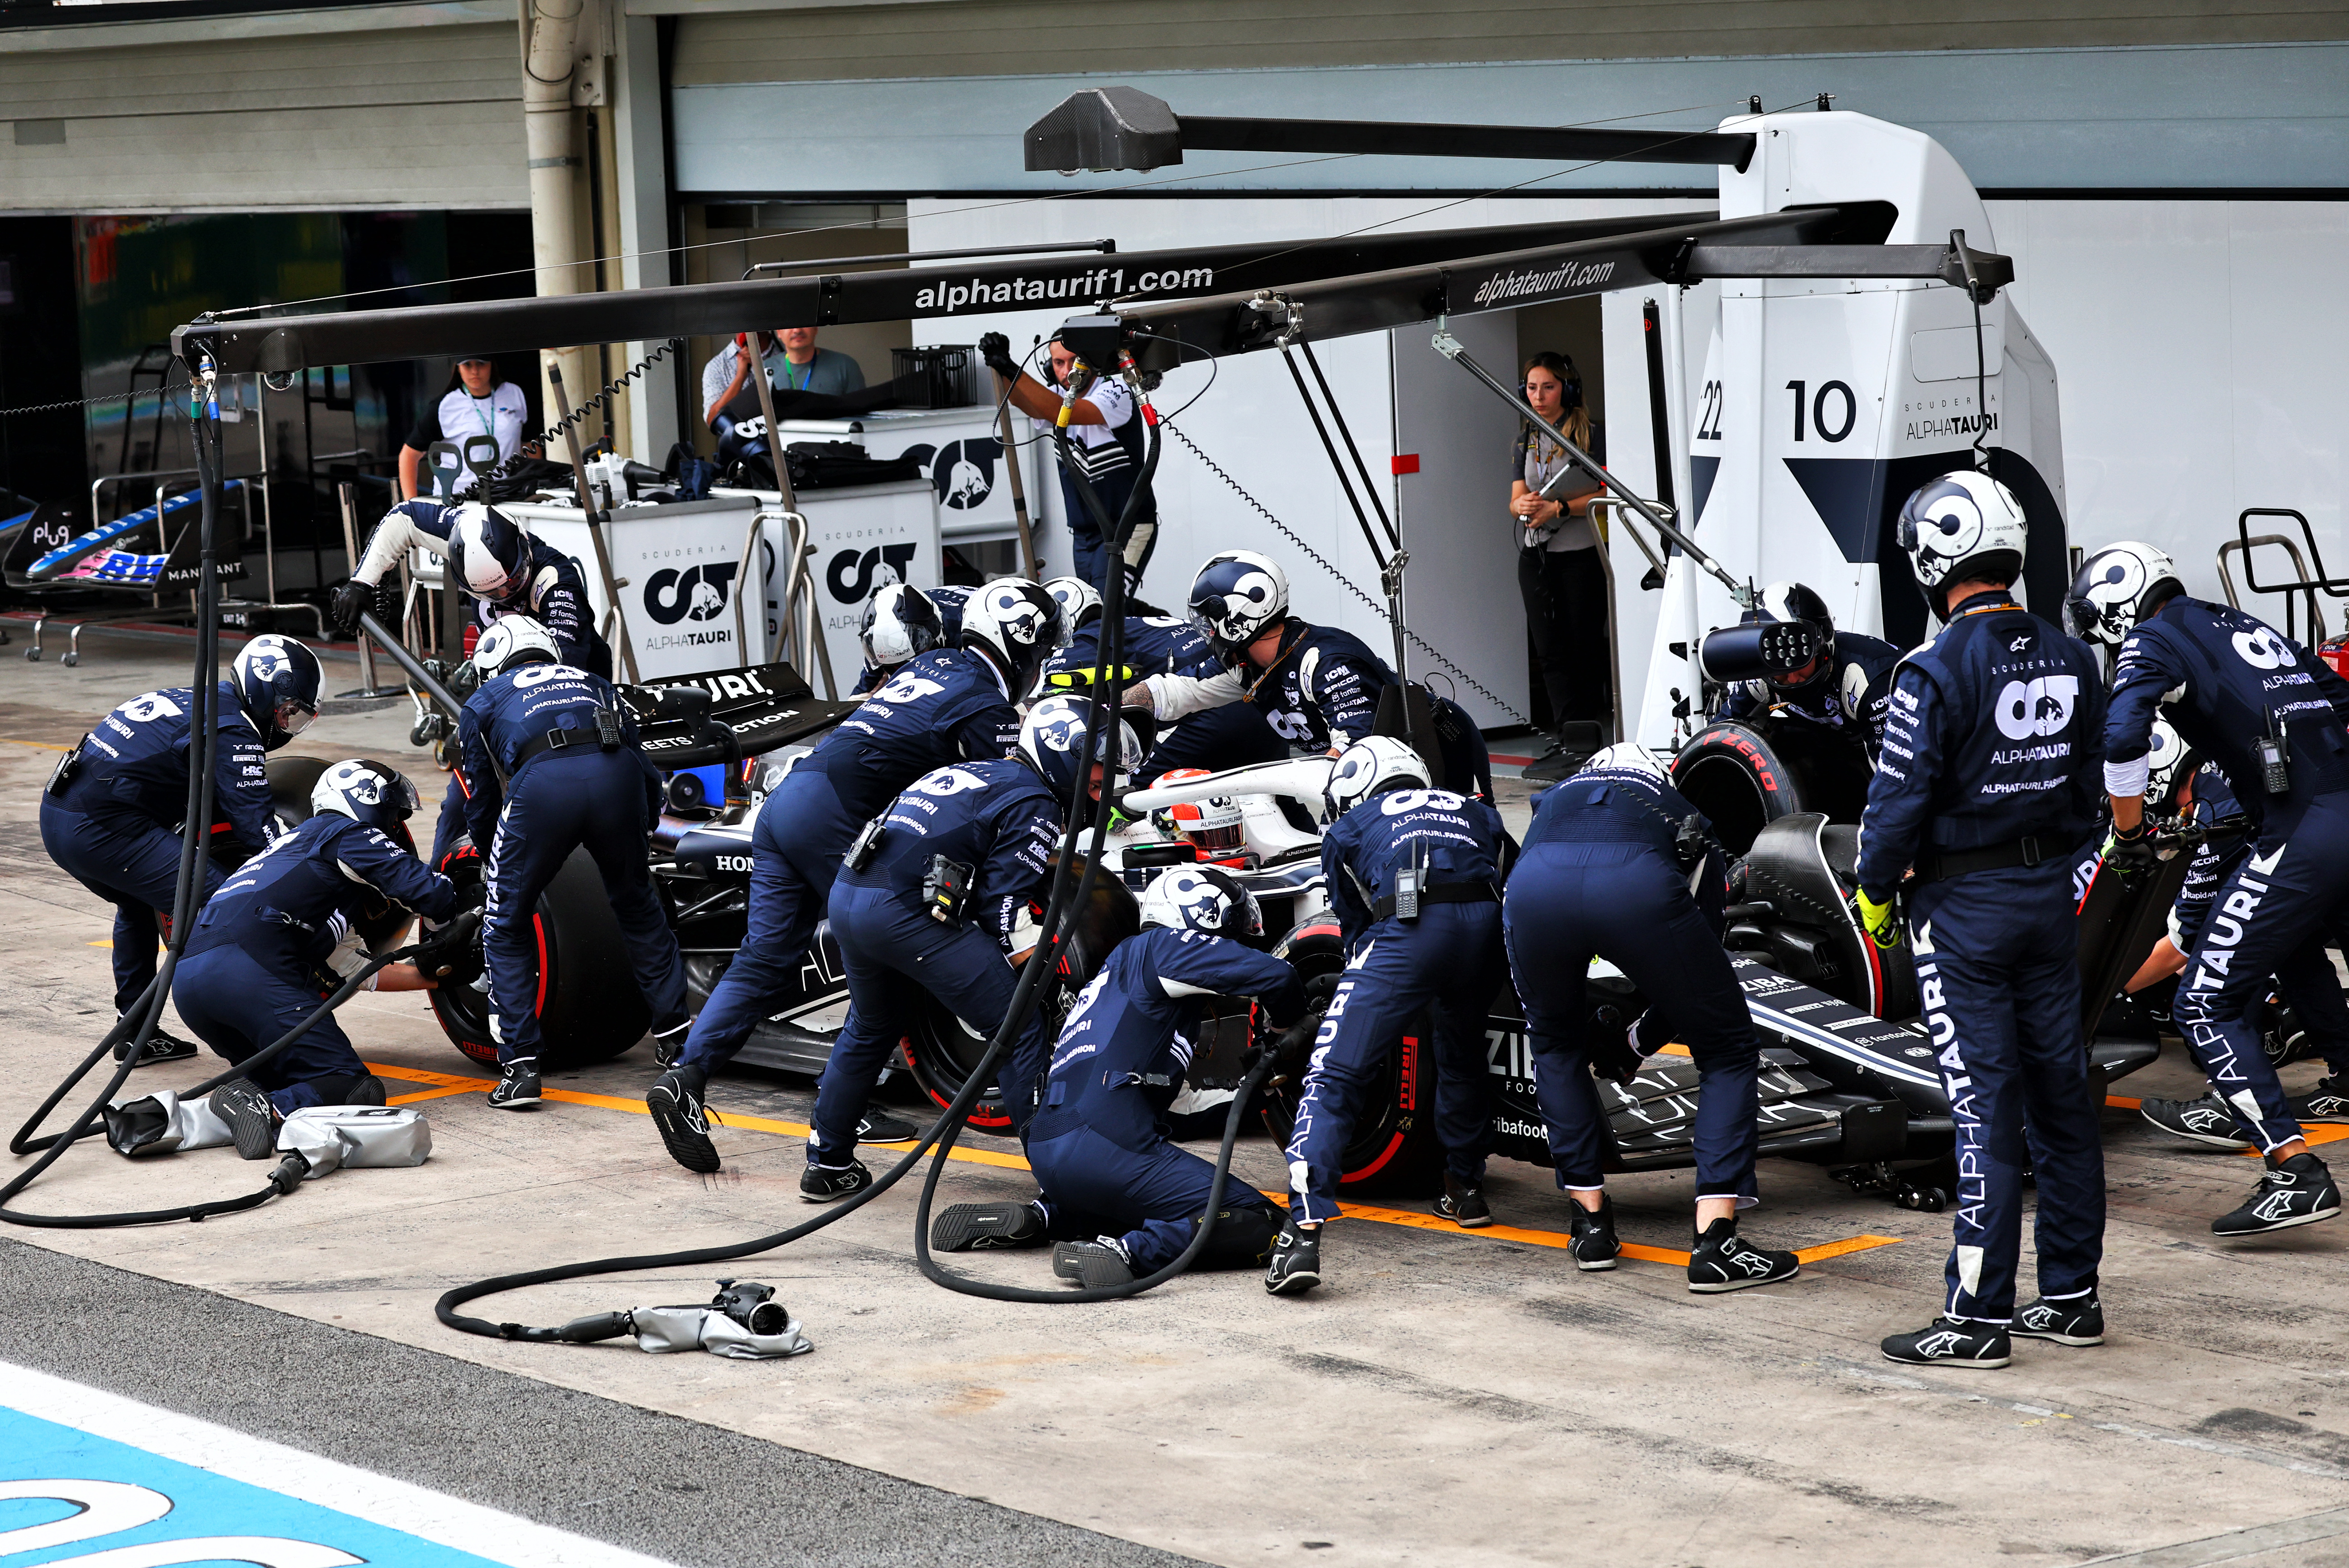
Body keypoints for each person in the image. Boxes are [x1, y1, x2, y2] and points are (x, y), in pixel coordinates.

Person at [643, 578, 1063, 1173]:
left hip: (789, 798)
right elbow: (999, 799)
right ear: (1020, 648)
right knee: (887, 946)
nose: (1040, 665)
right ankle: (850, 1107)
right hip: (835, 812)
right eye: (1041, 653)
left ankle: (687, 1076)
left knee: (765, 958)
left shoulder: (939, 663)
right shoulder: (985, 702)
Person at [1853, 470, 2108, 1369]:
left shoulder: (1927, 669)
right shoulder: (2076, 656)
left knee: (1984, 1111)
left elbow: (1894, 806)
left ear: (1932, 559)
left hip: (1961, 912)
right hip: (2047, 903)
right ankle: (2072, 1296)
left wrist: (1876, 892)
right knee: (2061, 1102)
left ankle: (1977, 1317)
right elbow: (2088, 799)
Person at [2068, 539, 2349, 1234]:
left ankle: (2292, 1168)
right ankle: (2260, 1094)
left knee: (2204, 1002)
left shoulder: (2154, 638)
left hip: (2304, 826)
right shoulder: (2242, 622)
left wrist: (2130, 833)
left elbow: (2123, 734)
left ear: (2115, 603)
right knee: (2297, 944)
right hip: (2334, 805)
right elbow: (2338, 697)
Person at [799, 695, 1137, 1202]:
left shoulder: (983, 769)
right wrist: (1039, 970)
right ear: (1061, 752)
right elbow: (1002, 908)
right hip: (899, 909)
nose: (1105, 775)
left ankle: (826, 1162)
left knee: (870, 1025)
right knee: (1019, 1027)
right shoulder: (1034, 799)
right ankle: (1060, 1176)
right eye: (1097, 761)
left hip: (849, 893)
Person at [1504, 742, 1802, 1289]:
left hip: (1533, 891)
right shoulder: (1675, 805)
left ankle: (1590, 1223)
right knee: (1727, 1047)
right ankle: (1716, 1243)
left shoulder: (1552, 801)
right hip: (1635, 886)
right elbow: (1704, 957)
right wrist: (1638, 1041)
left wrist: (1627, 1040)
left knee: (1552, 1045)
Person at [970, 864, 1310, 1287]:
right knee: (1263, 1221)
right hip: (1103, 1145)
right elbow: (1277, 975)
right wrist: (1288, 1035)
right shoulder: (1161, 947)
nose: (1234, 948)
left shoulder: (1119, 980)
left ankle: (1050, 1216)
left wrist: (1258, 1091)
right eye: (1232, 936)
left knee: (1142, 1192)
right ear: (1201, 919)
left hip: (1051, 1148)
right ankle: (1129, 1252)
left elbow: (1181, 1112)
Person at [1265, 736, 1510, 1296]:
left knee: (1333, 1074)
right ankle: (1465, 1189)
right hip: (1484, 933)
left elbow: (1354, 934)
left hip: (1409, 929)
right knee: (1463, 1053)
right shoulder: (1477, 810)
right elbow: (1507, 882)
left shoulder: (1349, 826)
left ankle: (1300, 1235)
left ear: (1354, 788)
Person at [39, 635, 321, 1066]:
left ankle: (135, 1031)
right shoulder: (234, 730)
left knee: (136, 901)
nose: (287, 725)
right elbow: (260, 833)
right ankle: (260, 1035)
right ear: (265, 691)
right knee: (226, 900)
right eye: (288, 712)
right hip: (98, 827)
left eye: (298, 718)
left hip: (61, 813)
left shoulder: (205, 697)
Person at [456, 616, 689, 1110]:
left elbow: (479, 800)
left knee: (505, 922)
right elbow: (643, 763)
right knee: (638, 904)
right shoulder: (592, 681)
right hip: (616, 777)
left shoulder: (481, 699)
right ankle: (676, 1040)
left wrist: (492, 863)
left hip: (543, 786)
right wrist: (642, 827)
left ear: (492, 665)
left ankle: (520, 1067)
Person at [178, 760, 458, 1158]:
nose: (395, 826)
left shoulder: (296, 857)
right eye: (394, 814)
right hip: (249, 975)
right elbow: (433, 894)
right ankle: (272, 1109)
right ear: (366, 801)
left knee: (286, 1081)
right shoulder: (347, 831)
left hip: (193, 985)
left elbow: (362, 972)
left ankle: (192, 1112)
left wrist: (442, 980)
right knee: (352, 1086)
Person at [333, 498, 613, 864]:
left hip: (569, 707)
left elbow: (563, 671)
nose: (502, 596)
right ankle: (441, 898)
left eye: (509, 585)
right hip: (499, 706)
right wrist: (363, 581)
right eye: (490, 593)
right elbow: (402, 519)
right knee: (459, 807)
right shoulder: (461, 535)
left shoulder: (556, 583)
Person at [1121, 551, 1494, 801]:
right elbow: (1173, 692)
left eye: (1208, 618)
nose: (1205, 630)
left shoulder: (1325, 662)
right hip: (1373, 769)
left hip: (1441, 748)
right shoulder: (1248, 665)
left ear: (1237, 615)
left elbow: (1352, 748)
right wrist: (1103, 713)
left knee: (1470, 846)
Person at [2129, 758, 2349, 1145]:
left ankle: (2231, 1108)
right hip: (2329, 816)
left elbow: (2181, 944)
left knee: (2227, 957)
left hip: (2314, 838)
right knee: (2292, 946)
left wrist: (2097, 993)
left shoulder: (2214, 813)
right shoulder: (2219, 773)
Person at [1038, 575, 1286, 783]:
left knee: (1118, 787)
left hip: (1203, 712)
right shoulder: (1144, 626)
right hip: (1261, 709)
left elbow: (1058, 707)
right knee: (1282, 803)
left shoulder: (1085, 637)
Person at [979, 330, 1154, 598]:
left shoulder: (1116, 391)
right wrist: (1000, 364)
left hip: (1127, 526)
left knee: (1110, 609)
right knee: (1088, 610)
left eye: (1074, 361)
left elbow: (1061, 411)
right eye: (1058, 363)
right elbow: (1024, 401)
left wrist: (1010, 367)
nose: (1067, 370)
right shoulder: (1054, 394)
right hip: (1084, 534)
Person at [1510, 352, 1611, 781]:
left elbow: (1609, 491)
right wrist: (1525, 505)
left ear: (1567, 391)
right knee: (1549, 651)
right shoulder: (1524, 438)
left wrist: (1560, 508)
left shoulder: (1592, 435)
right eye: (1531, 388)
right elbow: (1514, 498)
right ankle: (1568, 736)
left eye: (1547, 387)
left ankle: (1591, 736)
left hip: (1581, 554)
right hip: (1537, 556)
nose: (1538, 396)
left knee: (1583, 646)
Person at [1716, 581, 1902, 762]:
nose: (1793, 678)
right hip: (1830, 749)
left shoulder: (1866, 678)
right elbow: (1716, 736)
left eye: (1800, 663)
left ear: (1823, 648)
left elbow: (1896, 778)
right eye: (1780, 670)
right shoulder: (1761, 674)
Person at [398, 356, 529, 501]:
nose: (475, 371)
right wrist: (411, 505)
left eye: (481, 364)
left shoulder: (514, 394)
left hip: (508, 495)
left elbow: (529, 443)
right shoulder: (445, 405)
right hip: (458, 499)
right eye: (467, 365)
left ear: (492, 364)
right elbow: (409, 455)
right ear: (458, 368)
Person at [701, 328, 865, 431]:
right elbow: (716, 420)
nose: (797, 330)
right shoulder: (722, 366)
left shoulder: (844, 365)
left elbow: (861, 419)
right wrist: (741, 376)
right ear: (780, 333)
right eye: (789, 325)